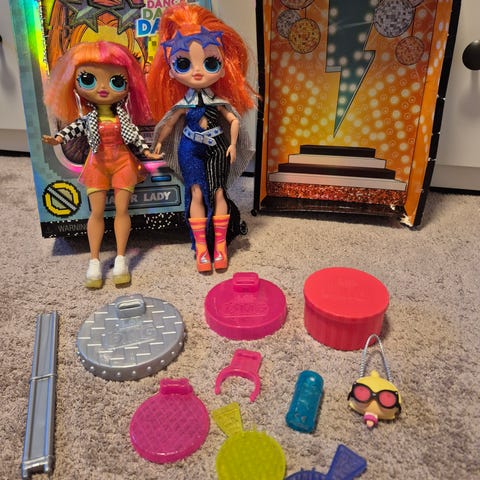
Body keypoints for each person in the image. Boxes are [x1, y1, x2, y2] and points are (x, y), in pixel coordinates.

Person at [42, 41, 161, 288]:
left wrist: (146, 151)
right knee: (96, 212)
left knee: (122, 211)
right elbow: (74, 128)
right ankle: (94, 261)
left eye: (116, 81)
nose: (104, 88)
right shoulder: (88, 118)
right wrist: (58, 138)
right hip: (97, 164)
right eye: (88, 80)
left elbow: (133, 135)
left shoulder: (122, 117)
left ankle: (121, 259)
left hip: (122, 163)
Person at [148, 4, 257, 272]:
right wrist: (159, 142)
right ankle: (201, 248)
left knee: (219, 191)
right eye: (184, 63)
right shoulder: (183, 104)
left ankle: (219, 246)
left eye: (210, 63)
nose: (197, 72)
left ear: (223, 67)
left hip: (218, 146)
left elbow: (233, 120)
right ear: (171, 69)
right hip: (189, 147)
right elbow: (169, 123)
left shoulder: (217, 101)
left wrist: (233, 144)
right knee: (195, 191)